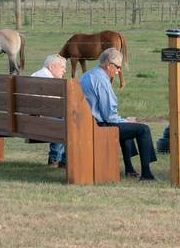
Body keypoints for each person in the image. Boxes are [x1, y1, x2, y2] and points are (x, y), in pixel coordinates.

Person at [80, 48, 157, 181]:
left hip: (87, 122)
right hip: (99, 125)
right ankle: (147, 174)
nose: (119, 71)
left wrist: (125, 121)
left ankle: (129, 169)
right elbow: (109, 116)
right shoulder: (102, 80)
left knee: (128, 127)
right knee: (143, 129)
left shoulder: (87, 75)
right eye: (118, 67)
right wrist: (126, 120)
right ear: (109, 65)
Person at [31, 53, 68, 167]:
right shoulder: (48, 81)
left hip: (28, 120)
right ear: (52, 67)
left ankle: (58, 159)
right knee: (68, 121)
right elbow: (56, 106)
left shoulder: (35, 75)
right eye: (62, 67)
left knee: (63, 119)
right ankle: (58, 159)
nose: (64, 71)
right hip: (42, 122)